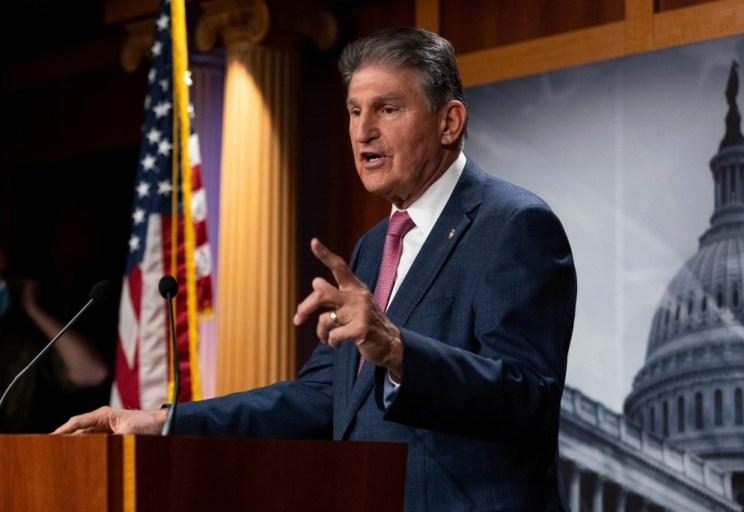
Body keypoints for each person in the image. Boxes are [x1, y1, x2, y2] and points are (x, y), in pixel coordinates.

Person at [56, 27, 577, 511]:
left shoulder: (514, 225)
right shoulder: (372, 248)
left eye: (387, 108)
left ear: (450, 122)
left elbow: (527, 396)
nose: (363, 131)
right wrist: (166, 422)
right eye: (354, 111)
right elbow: (321, 398)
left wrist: (397, 350)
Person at [0, 249, 110, 433]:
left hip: (15, 454)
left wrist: (33, 308)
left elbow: (94, 372)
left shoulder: (23, 340)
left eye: (4, 275)